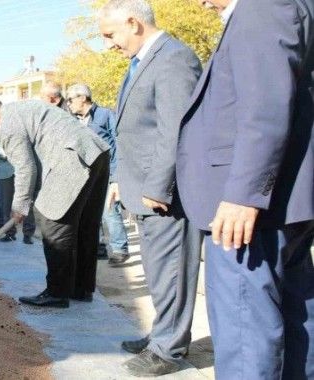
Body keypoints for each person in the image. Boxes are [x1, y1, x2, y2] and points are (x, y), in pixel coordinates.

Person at [177, 0, 314, 378]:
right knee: (294, 318)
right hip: (280, 203)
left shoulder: (262, 7)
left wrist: (244, 195)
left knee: (245, 335)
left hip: (245, 209)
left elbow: (265, 107)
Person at [98, 0, 202, 376]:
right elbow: (133, 131)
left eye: (110, 35)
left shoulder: (173, 58)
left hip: (165, 195)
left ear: (133, 22)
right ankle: (163, 333)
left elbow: (175, 129)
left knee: (171, 272)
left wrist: (159, 186)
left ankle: (168, 349)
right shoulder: (141, 62)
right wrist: (119, 181)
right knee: (159, 273)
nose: (108, 44)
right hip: (140, 190)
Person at [0, 97, 110, 309]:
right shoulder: (22, 107)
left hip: (72, 157)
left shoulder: (7, 124)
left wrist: (19, 207)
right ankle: (81, 289)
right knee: (85, 225)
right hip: (97, 152)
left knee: (54, 222)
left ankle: (57, 293)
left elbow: (26, 168)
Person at [66, 83, 129, 264]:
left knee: (109, 211)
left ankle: (120, 249)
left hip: (108, 172)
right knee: (91, 212)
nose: (68, 103)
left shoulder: (105, 115)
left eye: (70, 99)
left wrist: (116, 176)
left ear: (82, 98)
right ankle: (99, 247)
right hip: (87, 174)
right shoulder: (74, 121)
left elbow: (118, 144)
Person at [0, 123, 36, 244]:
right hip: (4, 171)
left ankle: (28, 234)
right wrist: (8, 154)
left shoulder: (16, 125)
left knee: (26, 201)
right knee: (6, 204)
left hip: (22, 170)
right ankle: (10, 233)